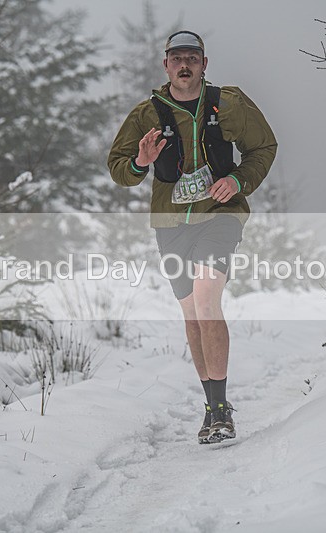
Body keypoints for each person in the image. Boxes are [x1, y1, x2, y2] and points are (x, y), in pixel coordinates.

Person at [107, 30, 277, 444]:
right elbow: (118, 168)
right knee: (192, 315)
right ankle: (211, 405)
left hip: (220, 215)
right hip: (170, 225)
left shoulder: (229, 103)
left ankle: (221, 411)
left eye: (193, 58)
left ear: (204, 63)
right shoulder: (146, 113)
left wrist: (237, 180)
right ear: (166, 65)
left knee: (206, 300)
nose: (185, 65)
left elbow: (264, 147)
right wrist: (140, 161)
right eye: (177, 58)